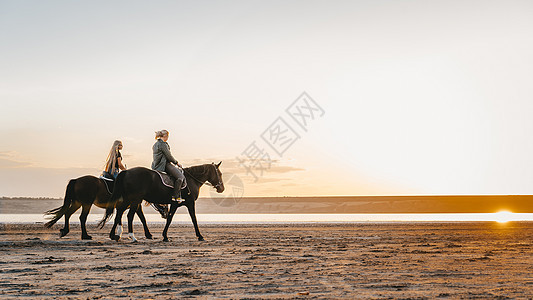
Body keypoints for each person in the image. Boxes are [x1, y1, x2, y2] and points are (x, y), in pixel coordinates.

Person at [152, 130, 186, 202]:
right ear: (165, 136)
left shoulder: (155, 144)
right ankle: (176, 196)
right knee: (180, 177)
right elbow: (169, 156)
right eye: (167, 136)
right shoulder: (163, 144)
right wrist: (176, 163)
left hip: (155, 165)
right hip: (164, 165)